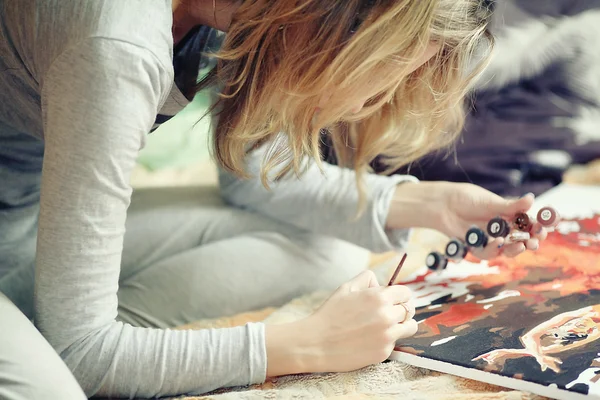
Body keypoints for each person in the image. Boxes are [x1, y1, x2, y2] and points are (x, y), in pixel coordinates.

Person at [0, 0, 548, 398]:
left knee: (329, 255)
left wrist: (431, 205)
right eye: (380, 79)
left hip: (24, 215)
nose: (367, 106)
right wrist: (304, 345)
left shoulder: (242, 12)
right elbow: (82, 357)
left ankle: (60, 320)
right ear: (338, 24)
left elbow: (251, 175)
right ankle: (76, 330)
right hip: (20, 227)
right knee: (58, 387)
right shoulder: (119, 46)